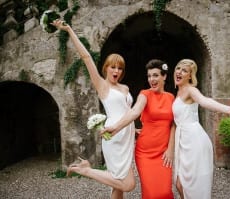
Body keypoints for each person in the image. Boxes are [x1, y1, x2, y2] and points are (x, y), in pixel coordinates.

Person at [51, 19, 136, 199]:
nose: (116, 71)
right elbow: (86, 57)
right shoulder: (102, 86)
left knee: (118, 186)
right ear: (106, 68)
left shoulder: (126, 88)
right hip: (113, 136)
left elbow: (128, 113)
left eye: (120, 68)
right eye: (113, 67)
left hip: (127, 135)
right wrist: (69, 30)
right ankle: (87, 171)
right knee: (127, 184)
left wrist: (134, 129)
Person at [172, 59, 230, 199]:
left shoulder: (191, 90)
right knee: (179, 183)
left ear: (190, 76)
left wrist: (229, 109)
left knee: (192, 185)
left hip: (195, 141)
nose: (179, 72)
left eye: (184, 70)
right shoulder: (179, 92)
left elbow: (206, 101)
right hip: (182, 141)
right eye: (178, 68)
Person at [104, 59, 175, 199]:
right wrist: (116, 127)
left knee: (165, 192)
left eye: (155, 75)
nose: (151, 79)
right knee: (152, 194)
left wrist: (171, 148)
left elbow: (174, 124)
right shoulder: (145, 94)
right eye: (149, 76)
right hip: (145, 152)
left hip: (164, 152)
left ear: (164, 76)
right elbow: (135, 111)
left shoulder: (171, 97)